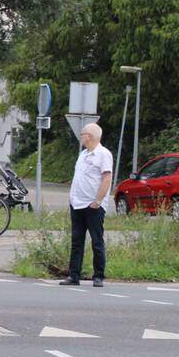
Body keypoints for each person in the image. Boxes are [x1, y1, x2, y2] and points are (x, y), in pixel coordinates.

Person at [61, 123, 113, 287]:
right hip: (77, 204)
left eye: (83, 133)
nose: (81, 136)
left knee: (96, 241)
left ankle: (99, 276)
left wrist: (98, 201)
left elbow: (106, 178)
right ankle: (73, 275)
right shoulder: (83, 154)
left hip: (93, 205)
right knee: (77, 241)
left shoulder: (103, 154)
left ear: (90, 136)